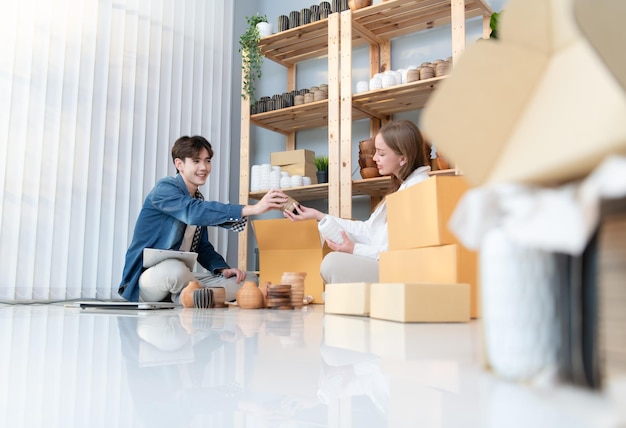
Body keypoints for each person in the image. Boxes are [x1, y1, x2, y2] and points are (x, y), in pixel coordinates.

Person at [118, 135, 288, 306]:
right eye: (196, 161)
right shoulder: (165, 189)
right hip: (149, 278)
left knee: (248, 280)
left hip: (182, 278)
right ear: (179, 164)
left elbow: (202, 247)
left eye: (207, 161)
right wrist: (252, 208)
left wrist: (222, 269)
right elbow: (193, 212)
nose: (204, 167)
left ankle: (194, 297)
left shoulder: (197, 200)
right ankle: (198, 297)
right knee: (175, 270)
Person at [283, 120, 431, 284]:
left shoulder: (417, 190)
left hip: (401, 271)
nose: (374, 158)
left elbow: (399, 254)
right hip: (388, 265)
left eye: (381, 154)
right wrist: (319, 216)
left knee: (333, 264)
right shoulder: (403, 187)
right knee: (334, 263)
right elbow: (368, 230)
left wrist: (354, 249)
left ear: (403, 158)